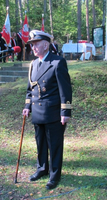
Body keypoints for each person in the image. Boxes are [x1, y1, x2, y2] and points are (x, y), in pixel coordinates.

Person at [22, 30, 72, 190]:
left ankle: (54, 175)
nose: (33, 48)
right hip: (37, 113)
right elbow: (30, 89)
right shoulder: (33, 64)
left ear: (45, 45)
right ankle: (42, 169)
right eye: (32, 45)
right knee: (40, 143)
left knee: (55, 145)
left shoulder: (57, 62)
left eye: (36, 44)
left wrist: (65, 112)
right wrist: (27, 106)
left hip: (53, 113)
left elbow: (66, 90)